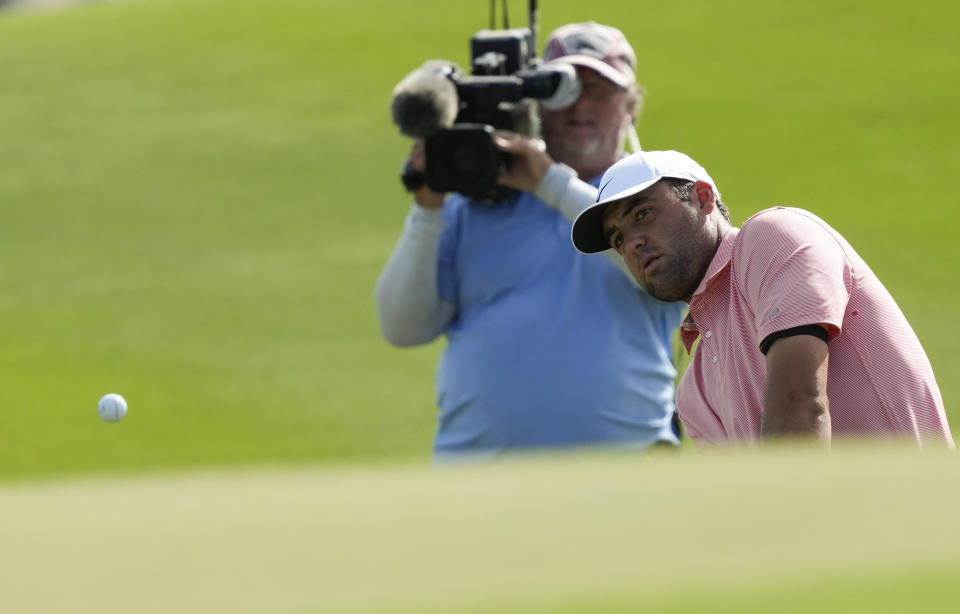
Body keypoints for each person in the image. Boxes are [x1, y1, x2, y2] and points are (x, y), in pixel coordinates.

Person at [375, 23, 687, 457]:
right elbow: (403, 327)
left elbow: (671, 275)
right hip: (477, 476)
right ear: (537, 103)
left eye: (600, 90)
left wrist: (552, 185)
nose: (580, 105)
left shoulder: (657, 196)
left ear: (631, 105)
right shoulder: (474, 203)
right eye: (564, 89)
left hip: (623, 477)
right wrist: (427, 207)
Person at [570, 150, 954, 446]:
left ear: (703, 198)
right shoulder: (694, 392)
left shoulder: (772, 237)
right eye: (618, 239)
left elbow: (802, 404)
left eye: (643, 214)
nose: (632, 243)